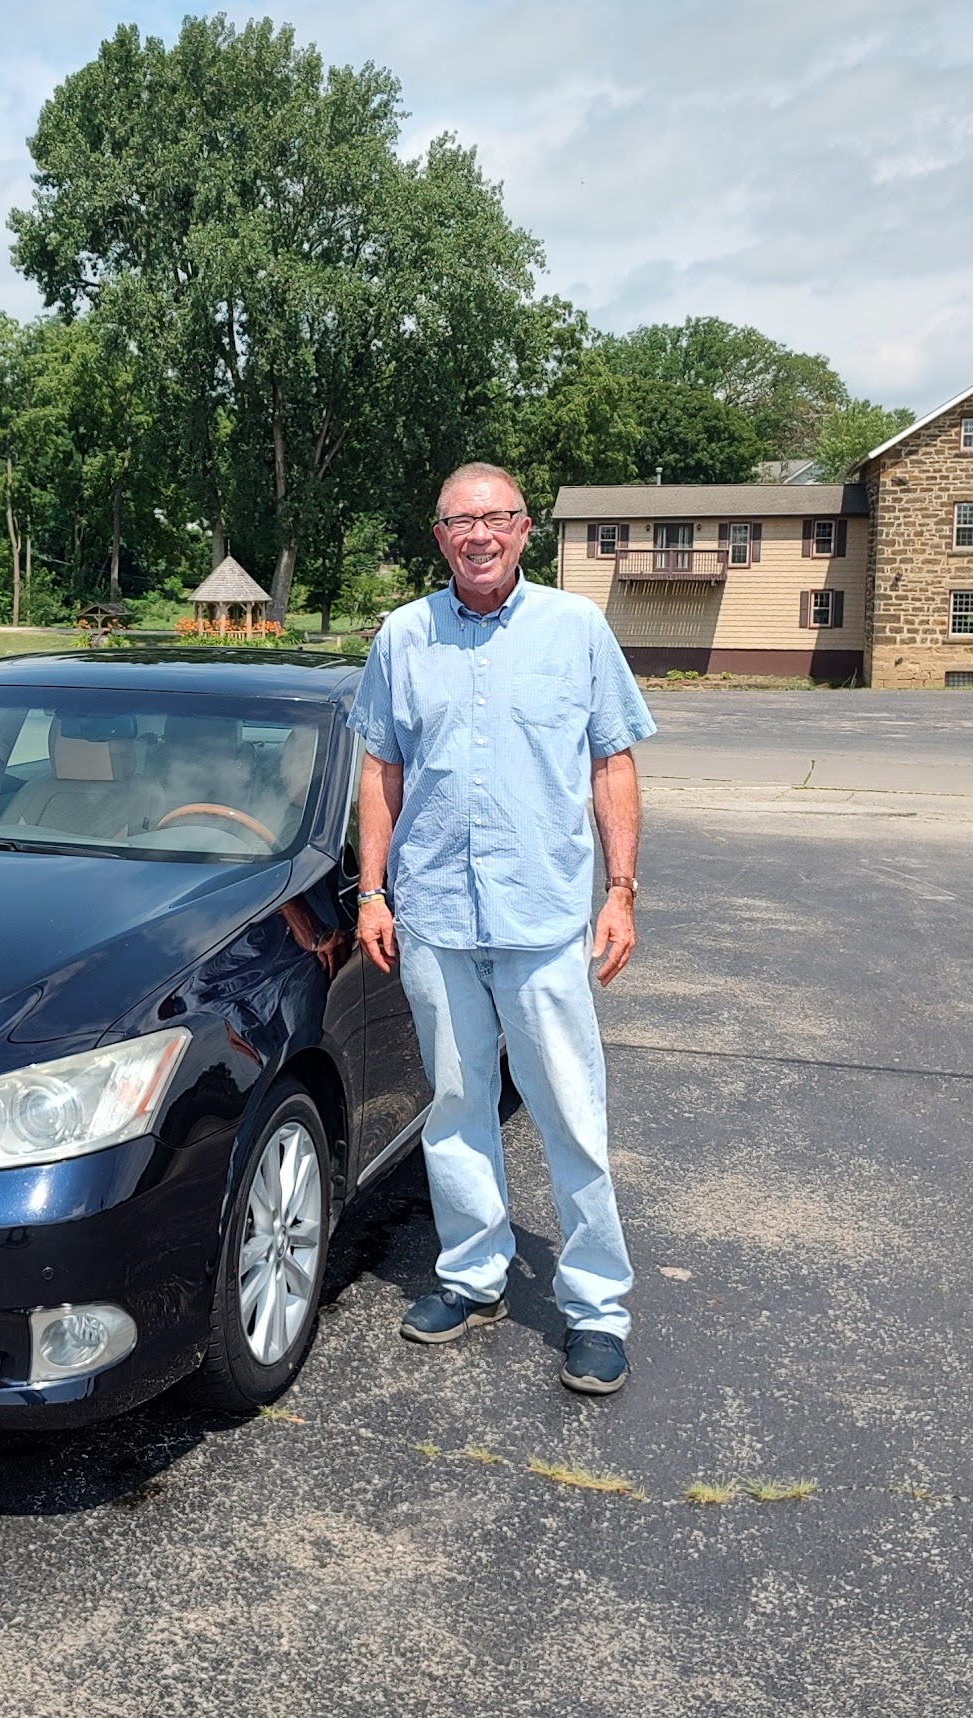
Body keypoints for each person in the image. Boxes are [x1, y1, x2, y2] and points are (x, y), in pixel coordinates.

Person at [347, 462, 656, 1395]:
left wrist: (621, 890)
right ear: (439, 537)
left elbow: (611, 762)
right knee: (455, 1105)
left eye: (497, 518)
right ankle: (472, 1276)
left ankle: (596, 1307)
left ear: (525, 529)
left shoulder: (576, 628)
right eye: (460, 521)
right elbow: (381, 771)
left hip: (542, 917)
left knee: (571, 1114)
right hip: (437, 915)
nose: (478, 535)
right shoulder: (403, 636)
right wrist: (371, 891)